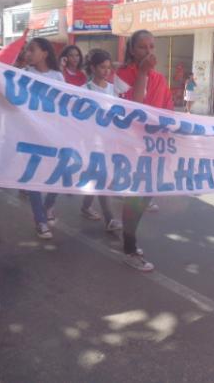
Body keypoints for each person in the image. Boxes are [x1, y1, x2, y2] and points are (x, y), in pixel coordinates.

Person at [115, 29, 174, 271]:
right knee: (134, 200)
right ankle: (129, 248)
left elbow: (168, 111)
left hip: (154, 150)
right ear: (131, 50)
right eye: (142, 47)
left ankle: (129, 239)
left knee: (143, 198)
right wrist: (140, 74)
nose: (148, 52)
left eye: (152, 47)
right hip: (129, 149)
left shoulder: (159, 78)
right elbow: (133, 110)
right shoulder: (121, 74)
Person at [24, 37, 65, 240]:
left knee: (56, 175)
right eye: (26, 50)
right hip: (30, 134)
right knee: (34, 178)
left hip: (53, 134)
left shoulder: (57, 76)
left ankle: (48, 206)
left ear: (45, 54)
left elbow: (65, 105)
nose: (27, 53)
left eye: (31, 50)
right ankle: (40, 220)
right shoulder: (24, 74)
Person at [80, 48, 123, 231]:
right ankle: (110, 219)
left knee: (96, 176)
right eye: (102, 67)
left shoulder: (114, 90)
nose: (106, 71)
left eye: (108, 67)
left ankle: (85, 206)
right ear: (93, 67)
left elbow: (120, 114)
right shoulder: (84, 90)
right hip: (92, 142)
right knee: (102, 176)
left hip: (110, 141)